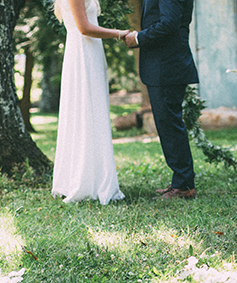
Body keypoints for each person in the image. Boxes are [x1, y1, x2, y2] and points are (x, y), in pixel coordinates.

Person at [51, 0, 128, 205]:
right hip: (83, 53)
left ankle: (92, 177)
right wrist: (119, 33)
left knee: (93, 113)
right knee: (85, 112)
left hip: (91, 52)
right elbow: (84, 28)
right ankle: (83, 182)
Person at [123, 0, 198, 200]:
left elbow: (169, 23)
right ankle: (181, 181)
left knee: (170, 124)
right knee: (168, 124)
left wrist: (138, 38)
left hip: (168, 66)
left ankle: (183, 185)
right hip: (165, 65)